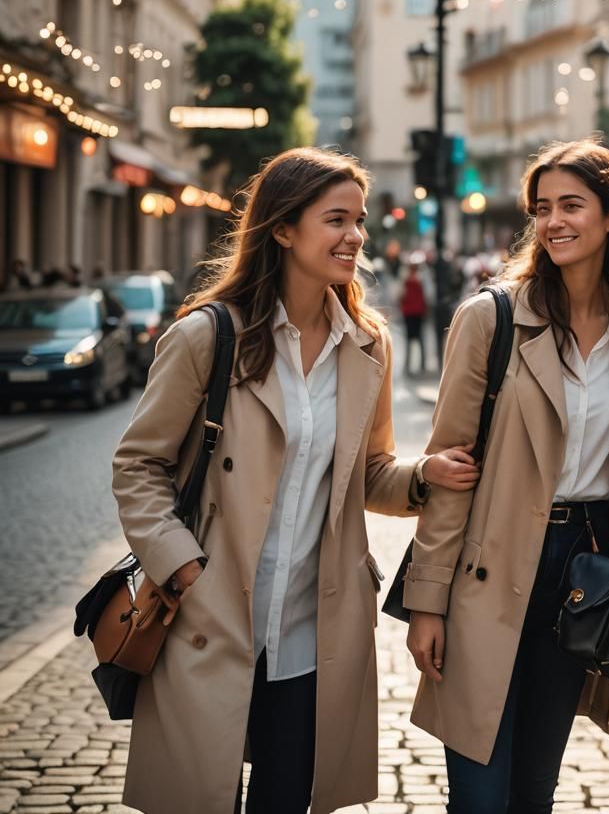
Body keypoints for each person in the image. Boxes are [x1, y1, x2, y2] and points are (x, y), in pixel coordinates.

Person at [111, 147, 479, 814]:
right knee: (200, 797)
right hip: (211, 615)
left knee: (288, 797)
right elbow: (138, 466)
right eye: (336, 219)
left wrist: (424, 474)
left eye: (359, 221)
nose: (356, 237)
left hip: (317, 626)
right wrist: (184, 569)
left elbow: (367, 473)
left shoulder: (367, 345)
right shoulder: (208, 337)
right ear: (282, 228)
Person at [404, 140, 609, 814]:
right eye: (542, 208)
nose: (553, 222)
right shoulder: (490, 318)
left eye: (571, 205)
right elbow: (449, 470)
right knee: (479, 793)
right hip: (489, 564)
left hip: (585, 575)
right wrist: (427, 602)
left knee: (535, 787)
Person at [400, 263, 428, 375]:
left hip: (409, 313)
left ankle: (408, 366)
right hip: (418, 313)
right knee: (420, 339)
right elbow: (426, 296)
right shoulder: (420, 281)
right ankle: (422, 365)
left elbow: (401, 296)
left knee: (409, 340)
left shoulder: (405, 281)